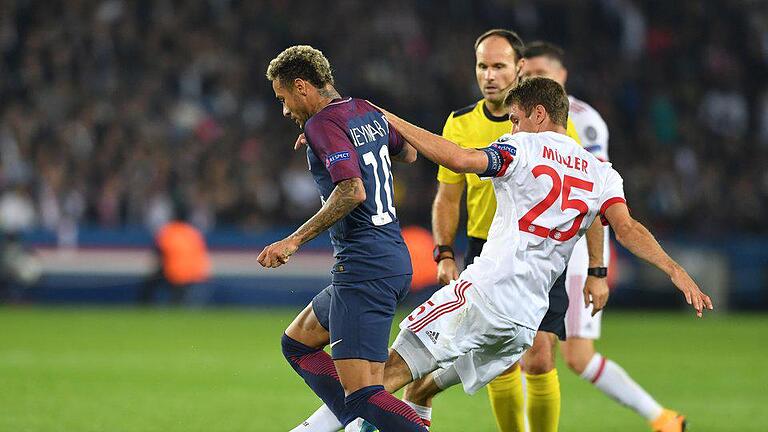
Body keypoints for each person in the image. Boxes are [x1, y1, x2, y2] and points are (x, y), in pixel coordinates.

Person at [292, 78, 712, 432]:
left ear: (539, 115)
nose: (510, 125)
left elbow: (458, 159)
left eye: (515, 117)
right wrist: (675, 269)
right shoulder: (602, 173)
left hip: (482, 297)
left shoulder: (520, 149)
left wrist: (382, 120)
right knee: (421, 389)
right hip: (523, 325)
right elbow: (628, 228)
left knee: (373, 384)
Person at [519, 41, 686, 431]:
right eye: (527, 73)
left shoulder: (584, 120)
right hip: (536, 246)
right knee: (532, 350)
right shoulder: (519, 116)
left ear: (562, 77)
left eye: (542, 72)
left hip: (574, 249)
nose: (533, 79)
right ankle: (662, 418)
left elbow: (594, 192)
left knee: (568, 355)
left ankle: (661, 417)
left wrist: (597, 268)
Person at [259, 45, 428, 432]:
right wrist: (339, 142)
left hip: (364, 265)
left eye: (283, 98)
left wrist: (294, 240)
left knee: (366, 395)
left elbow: (352, 191)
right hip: (387, 257)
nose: (284, 111)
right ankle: (355, 424)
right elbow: (410, 155)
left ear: (302, 87)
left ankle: (368, 420)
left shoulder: (322, 125)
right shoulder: (365, 110)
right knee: (298, 344)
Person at [427, 29, 586, 432]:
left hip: (542, 252)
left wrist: (597, 268)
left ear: (518, 69)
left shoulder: (549, 125)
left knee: (540, 358)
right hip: (486, 249)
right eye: (483, 66)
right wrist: (444, 251)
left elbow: (593, 198)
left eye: (499, 66)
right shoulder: (460, 124)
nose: (489, 75)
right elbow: (448, 197)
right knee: (498, 360)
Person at [139, 209, 211, 305]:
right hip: (195, 273)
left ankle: (146, 307)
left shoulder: (169, 231)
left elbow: (159, 253)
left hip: (175, 272)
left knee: (150, 286)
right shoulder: (193, 233)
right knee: (179, 298)